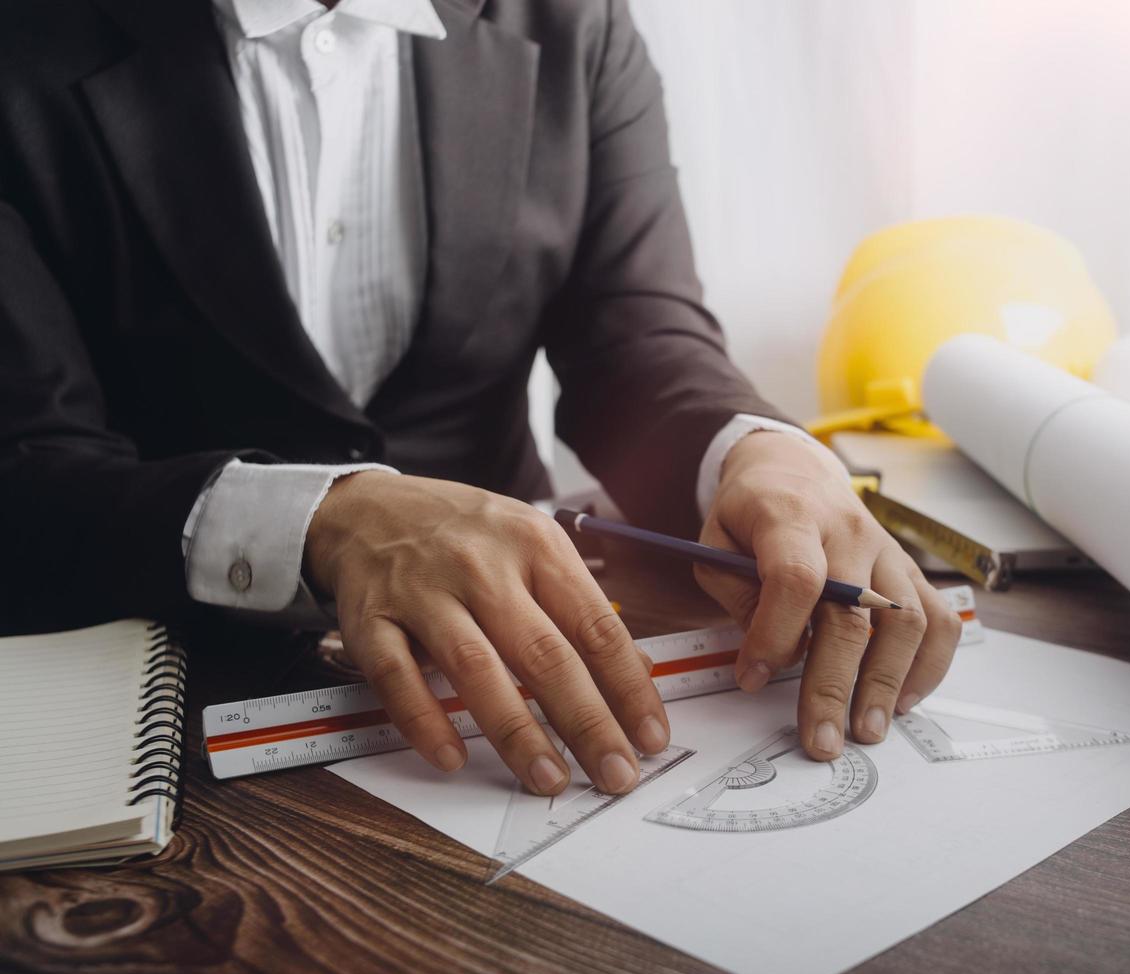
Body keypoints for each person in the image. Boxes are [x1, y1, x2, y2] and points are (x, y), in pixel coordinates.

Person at [0, 0, 960, 796]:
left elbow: (634, 338)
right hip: (157, 715)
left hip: (530, 673)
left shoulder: (575, 16)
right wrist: (320, 518)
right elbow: (29, 465)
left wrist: (759, 450)